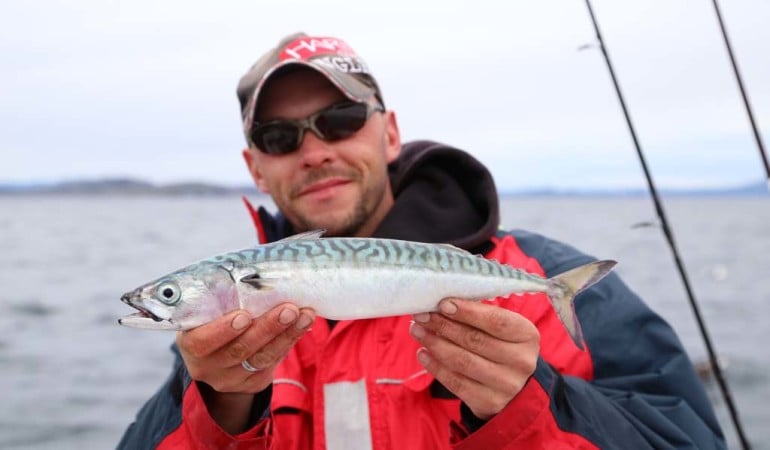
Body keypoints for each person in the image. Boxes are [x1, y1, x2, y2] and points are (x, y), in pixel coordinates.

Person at [118, 32, 726, 449]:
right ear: (256, 168)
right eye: (280, 138)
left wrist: (529, 405)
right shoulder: (218, 341)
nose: (316, 151)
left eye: (341, 121)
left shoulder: (552, 277)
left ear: (390, 135)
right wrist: (219, 407)